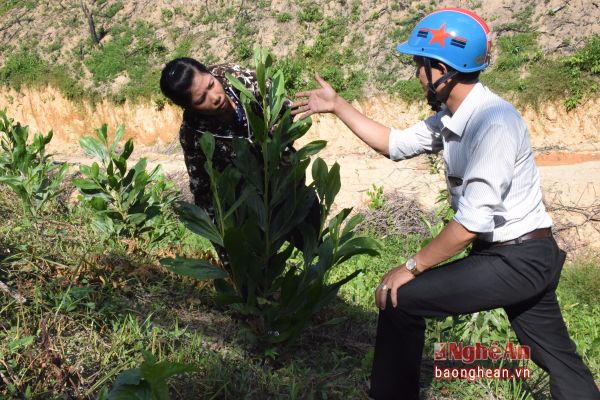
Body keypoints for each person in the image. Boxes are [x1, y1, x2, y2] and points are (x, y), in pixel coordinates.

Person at [292, 8, 599, 400]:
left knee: (399, 298)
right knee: (557, 358)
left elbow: (469, 224)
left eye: (419, 67)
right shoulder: (455, 116)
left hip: (516, 259)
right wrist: (338, 106)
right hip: (520, 254)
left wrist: (410, 268)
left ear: (441, 69)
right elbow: (395, 144)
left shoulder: (493, 122)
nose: (417, 76)